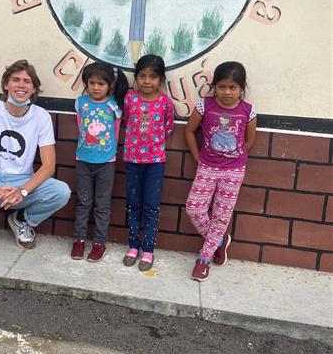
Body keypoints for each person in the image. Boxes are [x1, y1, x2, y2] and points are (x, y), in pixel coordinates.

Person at [0, 59, 71, 250]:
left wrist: (23, 191)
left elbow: (49, 165)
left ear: (34, 89)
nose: (21, 85)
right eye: (15, 79)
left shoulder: (41, 116)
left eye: (27, 81)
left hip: (23, 182)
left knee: (61, 192)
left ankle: (22, 220)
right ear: (6, 85)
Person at [185, 61, 257, 282]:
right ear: (214, 86)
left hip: (234, 172)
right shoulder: (205, 106)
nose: (227, 92)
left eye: (233, 87)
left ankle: (204, 258)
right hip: (207, 167)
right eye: (222, 86)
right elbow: (189, 130)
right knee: (194, 208)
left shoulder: (248, 110)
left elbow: (250, 140)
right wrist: (198, 157)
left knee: (221, 214)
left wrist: (235, 156)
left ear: (242, 88)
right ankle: (219, 240)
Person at [71, 62, 129, 262]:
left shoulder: (114, 106)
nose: (96, 87)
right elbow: (81, 128)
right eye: (92, 83)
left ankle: (99, 243)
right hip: (83, 160)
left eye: (101, 84)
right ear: (86, 83)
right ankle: (78, 240)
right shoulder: (81, 103)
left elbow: (116, 131)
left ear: (110, 85)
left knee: (102, 204)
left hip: (107, 162)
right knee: (83, 202)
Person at [122, 55, 175, 271]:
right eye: (142, 76)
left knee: (151, 207)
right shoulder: (129, 99)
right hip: (132, 160)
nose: (146, 81)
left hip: (155, 162)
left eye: (152, 77)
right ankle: (133, 245)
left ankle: (148, 249)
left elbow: (168, 127)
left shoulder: (165, 103)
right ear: (136, 78)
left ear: (160, 80)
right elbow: (126, 120)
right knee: (133, 204)